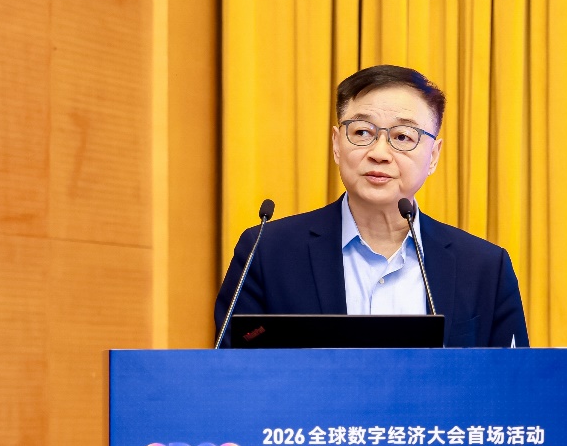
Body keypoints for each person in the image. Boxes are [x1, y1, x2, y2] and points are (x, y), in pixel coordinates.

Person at [215, 65, 528, 348]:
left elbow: (515, 384)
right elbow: (232, 375)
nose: (379, 153)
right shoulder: (267, 253)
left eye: (403, 136)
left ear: (433, 155)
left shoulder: (485, 268)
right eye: (362, 132)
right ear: (337, 144)